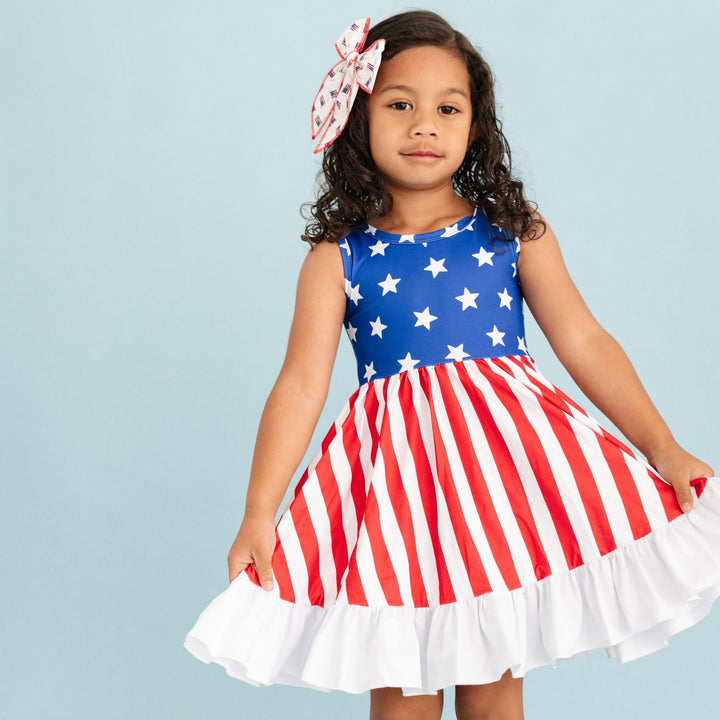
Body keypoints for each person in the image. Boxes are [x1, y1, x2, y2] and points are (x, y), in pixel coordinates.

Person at [184, 11, 720, 720]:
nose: (424, 125)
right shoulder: (337, 258)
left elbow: (584, 341)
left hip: (500, 489)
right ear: (358, 118)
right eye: (400, 105)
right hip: (396, 498)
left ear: (476, 126)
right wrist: (259, 512)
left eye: (448, 108)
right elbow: (301, 384)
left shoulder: (512, 232)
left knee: (495, 693)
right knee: (402, 694)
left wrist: (663, 446)